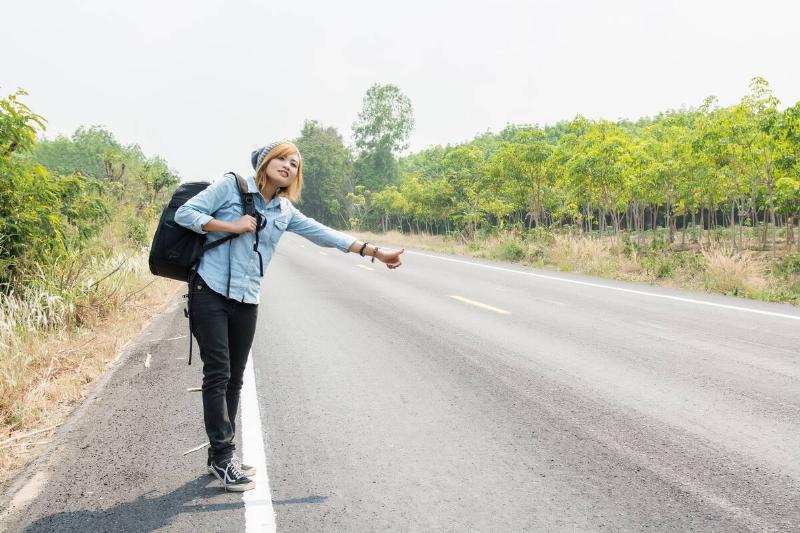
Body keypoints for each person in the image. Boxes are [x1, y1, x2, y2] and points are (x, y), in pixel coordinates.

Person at [174, 140, 404, 492]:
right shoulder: (231, 186)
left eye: (294, 164)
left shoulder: (284, 210)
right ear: (265, 162)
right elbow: (185, 214)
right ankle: (223, 456)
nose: (288, 166)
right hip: (210, 290)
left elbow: (324, 234)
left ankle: (219, 456)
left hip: (247, 298)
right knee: (217, 372)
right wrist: (230, 226)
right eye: (281, 158)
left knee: (234, 379)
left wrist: (375, 252)